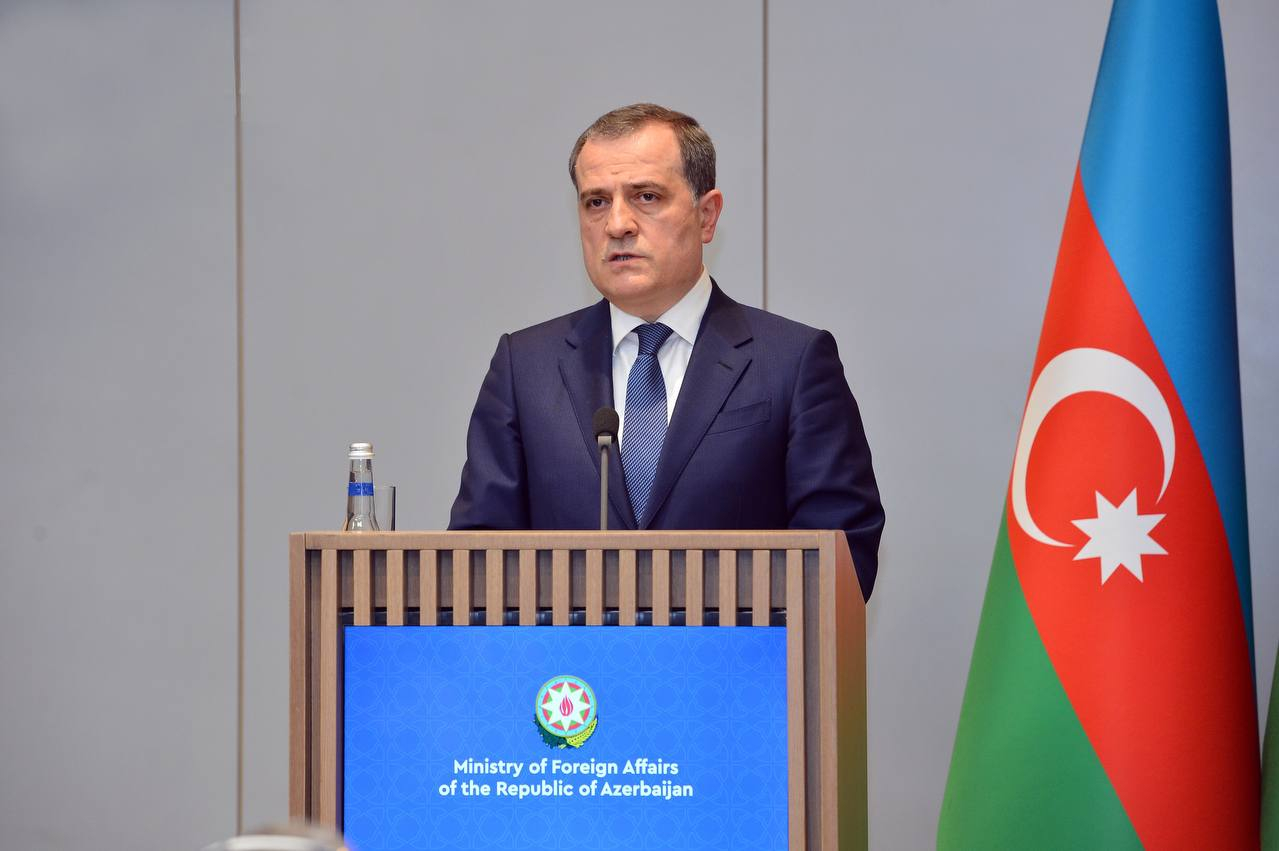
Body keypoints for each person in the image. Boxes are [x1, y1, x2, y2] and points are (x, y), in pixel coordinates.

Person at [449, 103, 884, 598]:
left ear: (707, 216)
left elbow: (841, 561)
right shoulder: (525, 367)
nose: (617, 224)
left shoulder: (793, 362)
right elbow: (475, 565)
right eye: (596, 202)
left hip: (736, 650)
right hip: (567, 651)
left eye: (646, 196)